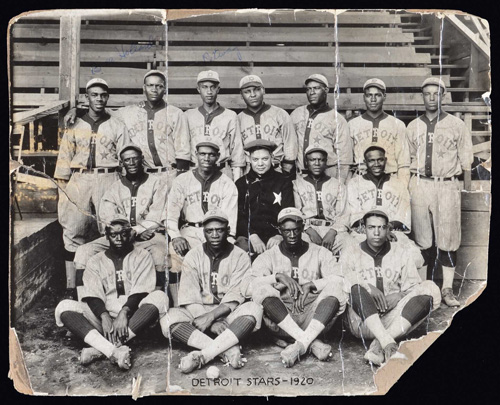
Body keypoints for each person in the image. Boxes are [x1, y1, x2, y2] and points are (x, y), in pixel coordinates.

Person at [54, 217, 169, 369]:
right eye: (113, 235)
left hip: (132, 318)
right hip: (104, 321)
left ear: (131, 235)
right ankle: (113, 350)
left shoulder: (142, 255)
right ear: (107, 237)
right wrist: (104, 316)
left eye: (123, 234)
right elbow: (92, 294)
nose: (119, 239)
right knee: (63, 307)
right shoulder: (96, 260)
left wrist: (124, 313)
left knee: (160, 297)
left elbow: (141, 291)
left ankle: (101, 349)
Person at [243, 208, 349, 368]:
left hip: (313, 318)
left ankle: (298, 343)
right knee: (261, 290)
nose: (292, 235)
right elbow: (247, 288)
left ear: (302, 228)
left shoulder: (320, 252)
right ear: (279, 230)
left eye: (296, 230)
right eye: (286, 231)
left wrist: (314, 284)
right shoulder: (269, 256)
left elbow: (342, 280)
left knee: (336, 288)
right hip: (282, 320)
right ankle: (309, 342)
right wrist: (275, 277)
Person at [162, 209, 262, 373]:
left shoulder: (240, 256)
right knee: (168, 318)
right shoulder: (193, 256)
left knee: (254, 310)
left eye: (219, 230)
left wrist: (212, 317)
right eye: (210, 231)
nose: (215, 235)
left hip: (228, 313)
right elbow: (190, 297)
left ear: (228, 231)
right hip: (199, 312)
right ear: (204, 232)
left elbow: (236, 295)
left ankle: (205, 354)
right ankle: (227, 349)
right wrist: (209, 322)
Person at [55, 78, 126, 300]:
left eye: (103, 95)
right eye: (94, 95)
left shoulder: (116, 124)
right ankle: (72, 287)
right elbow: (65, 157)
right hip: (79, 179)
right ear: (87, 98)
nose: (99, 99)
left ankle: (107, 283)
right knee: (74, 230)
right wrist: (63, 190)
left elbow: (125, 156)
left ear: (107, 97)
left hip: (108, 177)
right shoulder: (75, 124)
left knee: (110, 229)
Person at [340, 210, 441, 366]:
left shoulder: (401, 252)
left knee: (430, 288)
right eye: (371, 227)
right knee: (355, 286)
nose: (377, 232)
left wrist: (399, 296)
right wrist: (368, 288)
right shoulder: (350, 251)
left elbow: (413, 286)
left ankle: (379, 343)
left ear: (388, 229)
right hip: (361, 321)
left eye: (381, 227)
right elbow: (343, 281)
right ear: (363, 228)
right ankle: (388, 342)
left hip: (394, 319)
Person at [64, 70, 191, 193]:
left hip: (169, 173)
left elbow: (183, 151)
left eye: (159, 86)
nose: (154, 89)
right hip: (144, 175)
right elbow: (100, 110)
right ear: (144, 88)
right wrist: (76, 110)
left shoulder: (176, 113)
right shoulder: (128, 112)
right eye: (150, 85)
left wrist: (180, 179)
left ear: (165, 89)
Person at [406, 77, 473, 307]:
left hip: (447, 184)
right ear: (422, 96)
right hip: (420, 184)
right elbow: (409, 160)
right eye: (427, 94)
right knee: (422, 240)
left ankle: (447, 289)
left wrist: (465, 190)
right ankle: (424, 290)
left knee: (448, 239)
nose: (432, 98)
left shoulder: (457, 125)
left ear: (442, 96)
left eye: (436, 93)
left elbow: (466, 162)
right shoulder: (413, 126)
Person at [73, 144, 168, 297]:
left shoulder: (157, 183)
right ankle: (81, 298)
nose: (131, 163)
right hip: (119, 236)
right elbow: (109, 218)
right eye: (127, 160)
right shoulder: (114, 187)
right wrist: (130, 233)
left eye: (134, 159)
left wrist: (138, 232)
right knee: (83, 251)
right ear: (121, 163)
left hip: (149, 235)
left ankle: (156, 299)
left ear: (142, 160)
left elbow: (157, 215)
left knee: (159, 252)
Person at [167, 139, 238, 306]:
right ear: (195, 155)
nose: (206, 158)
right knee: (175, 255)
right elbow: (171, 213)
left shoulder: (227, 183)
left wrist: (229, 240)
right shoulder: (182, 180)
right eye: (203, 154)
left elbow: (231, 219)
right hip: (190, 230)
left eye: (211, 155)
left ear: (218, 157)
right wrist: (175, 236)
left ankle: (217, 306)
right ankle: (180, 306)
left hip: (217, 233)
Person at [346, 145, 423, 269]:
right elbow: (354, 214)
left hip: (393, 232)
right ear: (365, 163)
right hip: (363, 233)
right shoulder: (354, 183)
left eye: (380, 160)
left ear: (385, 161)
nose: (376, 164)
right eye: (371, 160)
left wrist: (387, 228)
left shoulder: (398, 184)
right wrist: (378, 230)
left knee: (415, 257)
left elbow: (404, 214)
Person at [234, 139, 294, 256]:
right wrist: (252, 235)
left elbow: (288, 211)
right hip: (250, 236)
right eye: (255, 159)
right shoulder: (241, 183)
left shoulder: (283, 181)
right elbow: (240, 216)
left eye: (265, 159)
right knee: (241, 251)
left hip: (276, 235)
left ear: (272, 158)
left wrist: (279, 234)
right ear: (249, 160)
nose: (260, 164)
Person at [347, 78, 410, 186]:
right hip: (361, 179)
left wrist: (402, 187)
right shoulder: (352, 124)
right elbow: (347, 162)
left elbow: (403, 163)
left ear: (384, 97)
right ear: (364, 98)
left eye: (377, 95)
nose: (373, 99)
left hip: (390, 179)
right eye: (369, 95)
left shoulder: (397, 124)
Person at [290, 74, 352, 183]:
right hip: (302, 175)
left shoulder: (337, 119)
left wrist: (340, 182)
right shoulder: (297, 113)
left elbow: (344, 157)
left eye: (316, 88)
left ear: (326, 90)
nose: (312, 92)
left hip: (328, 174)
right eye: (309, 89)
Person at [185, 70, 245, 181]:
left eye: (213, 87)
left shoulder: (230, 115)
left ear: (218, 89)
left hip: (222, 170)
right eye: (205, 87)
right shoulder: (188, 115)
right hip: (195, 170)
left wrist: (237, 182)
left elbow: (237, 153)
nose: (209, 91)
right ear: (198, 89)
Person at [292, 145, 349, 254]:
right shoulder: (297, 184)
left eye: (321, 160)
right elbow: (296, 213)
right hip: (307, 229)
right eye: (312, 160)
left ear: (326, 162)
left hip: (332, 229)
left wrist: (332, 232)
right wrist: (309, 231)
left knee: (349, 243)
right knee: (301, 244)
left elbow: (344, 214)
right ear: (306, 162)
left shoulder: (337, 184)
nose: (317, 163)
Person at [237, 75, 298, 176]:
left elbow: (290, 142)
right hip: (249, 170)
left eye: (256, 90)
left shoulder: (279, 114)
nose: (252, 95)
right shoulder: (238, 119)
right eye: (247, 91)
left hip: (277, 168)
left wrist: (286, 169)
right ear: (241, 95)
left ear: (263, 91)